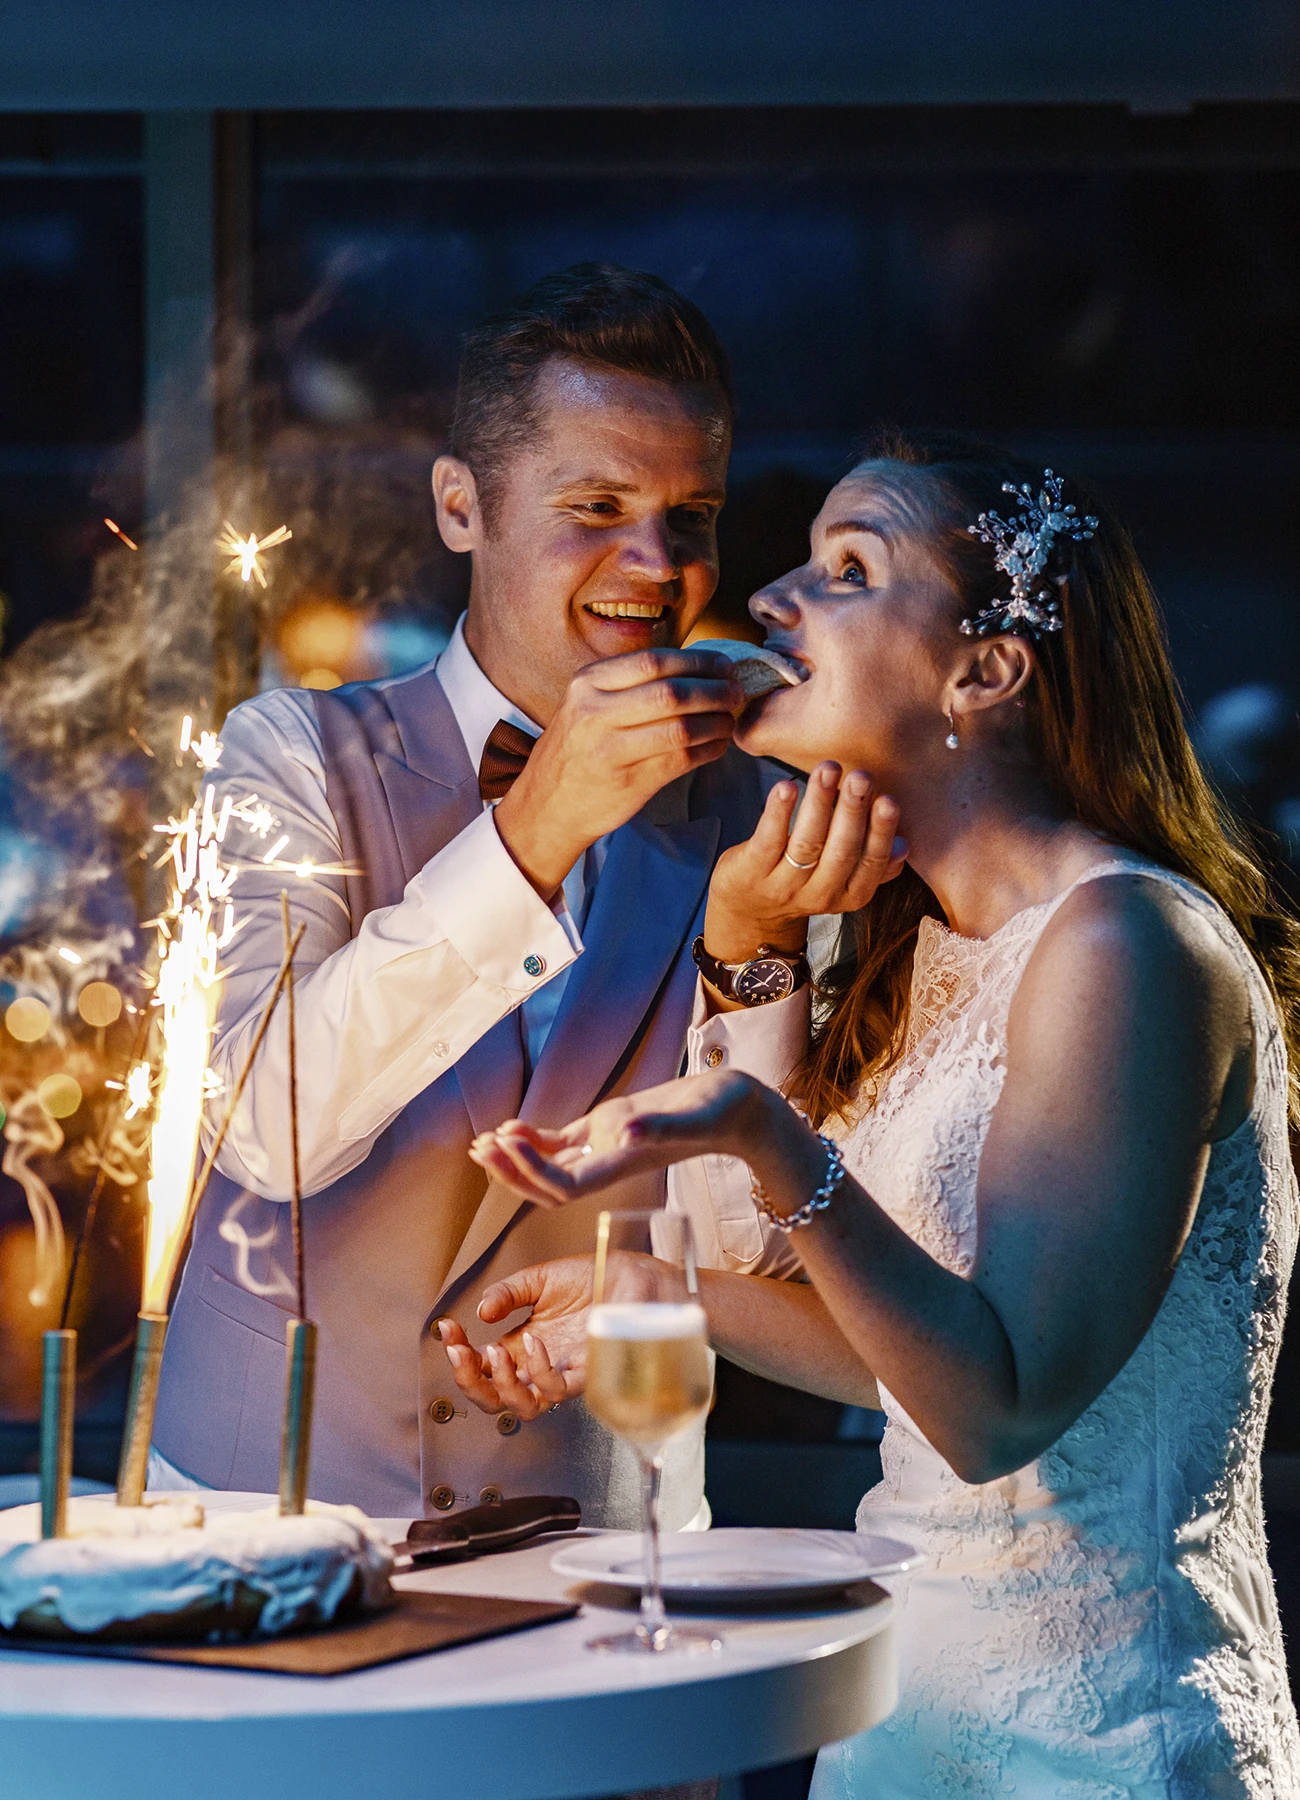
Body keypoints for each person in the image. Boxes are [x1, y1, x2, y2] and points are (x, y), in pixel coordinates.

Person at [457, 433, 1300, 1797]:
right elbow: (867, 1322)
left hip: (1105, 1738)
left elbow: (996, 1409)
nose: (774, 600)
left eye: (849, 569)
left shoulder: (1129, 948)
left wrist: (760, 1125)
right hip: (906, 1711)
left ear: (987, 671)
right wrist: (748, 945)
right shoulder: (902, 954)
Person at [150, 263, 794, 1528]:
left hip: (598, 1535)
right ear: (461, 504)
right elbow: (263, 1130)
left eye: (693, 515)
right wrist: (535, 829)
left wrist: (757, 952)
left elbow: (748, 1250)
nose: (656, 564)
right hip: (255, 1510)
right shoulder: (286, 753)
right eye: (596, 503)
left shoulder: (752, 812)